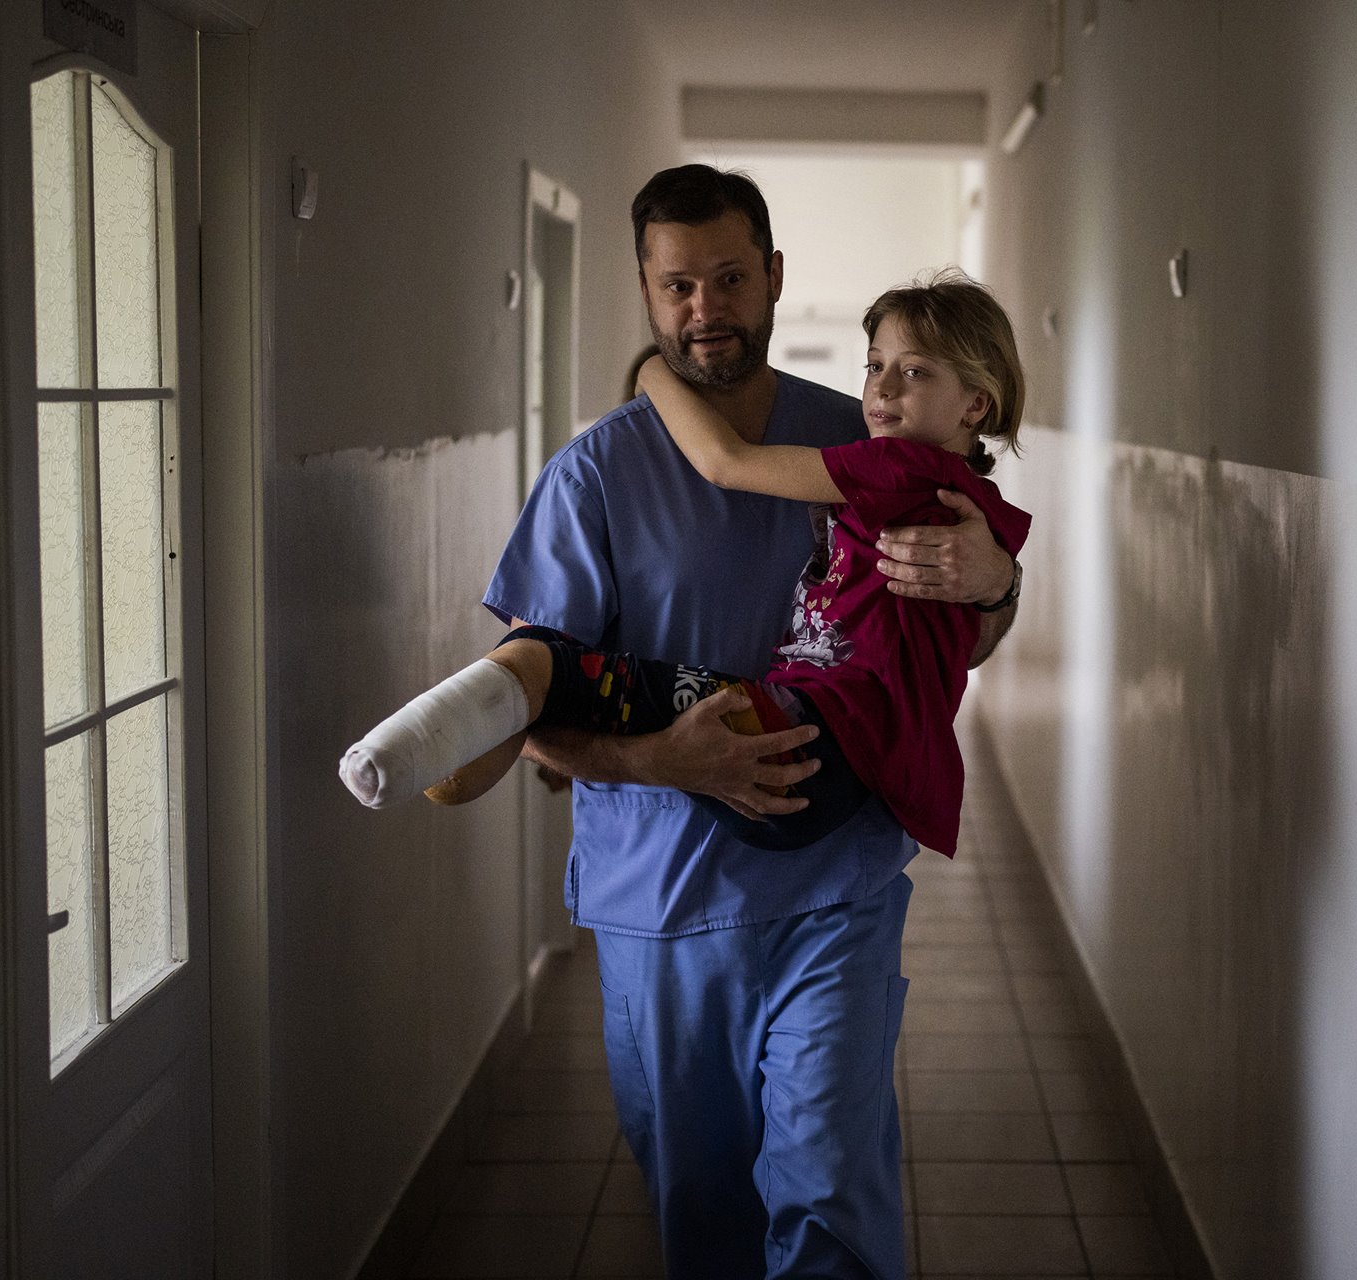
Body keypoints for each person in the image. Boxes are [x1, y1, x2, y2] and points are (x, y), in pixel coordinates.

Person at [408, 165, 1018, 1279]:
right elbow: (536, 696)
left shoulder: (867, 445)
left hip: (837, 886)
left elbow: (955, 636)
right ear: (646, 291)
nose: (706, 309)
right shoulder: (596, 475)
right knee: (705, 1213)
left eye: (730, 277)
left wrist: (992, 584)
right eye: (677, 285)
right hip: (667, 906)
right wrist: (658, 756)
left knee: (830, 1192)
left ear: (774, 276)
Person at [340, 270, 1031, 864]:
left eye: (914, 372)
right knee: (559, 680)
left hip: (798, 743)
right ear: (649, 287)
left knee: (548, 665)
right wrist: (1000, 577)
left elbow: (724, 462)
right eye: (874, 365)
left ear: (977, 402)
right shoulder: (981, 506)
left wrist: (649, 372)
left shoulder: (895, 465)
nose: (880, 392)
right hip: (838, 777)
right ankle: (466, 736)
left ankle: (425, 746)